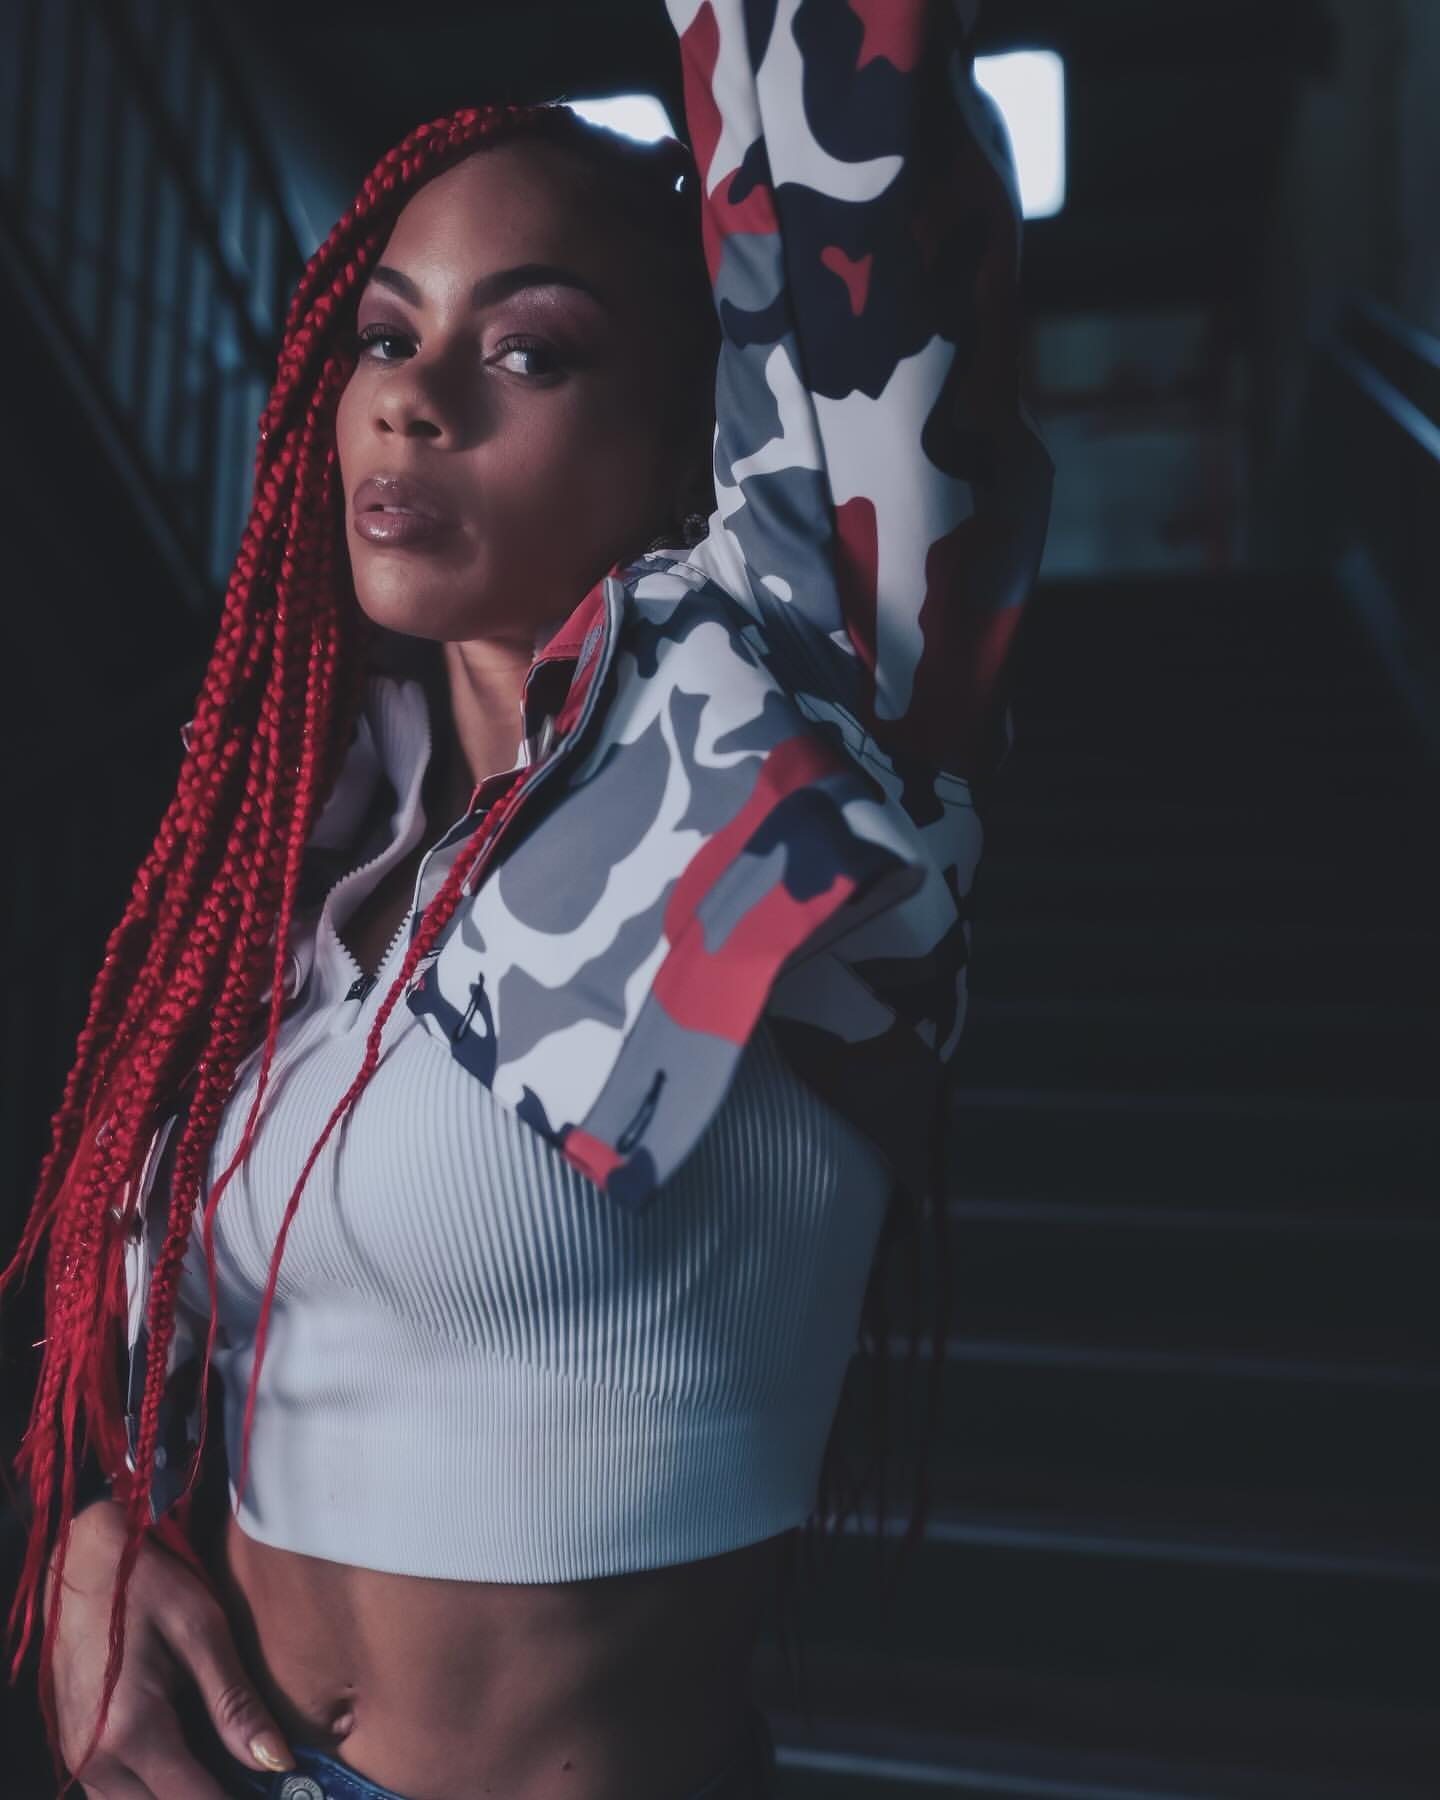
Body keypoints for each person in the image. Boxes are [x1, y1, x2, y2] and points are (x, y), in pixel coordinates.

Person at [4, 2, 1054, 1797]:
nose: (413, 395)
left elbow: (851, 152)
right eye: (386, 334)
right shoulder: (324, 856)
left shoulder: (793, 754)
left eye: (533, 350)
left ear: (694, 440)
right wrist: (105, 1539)